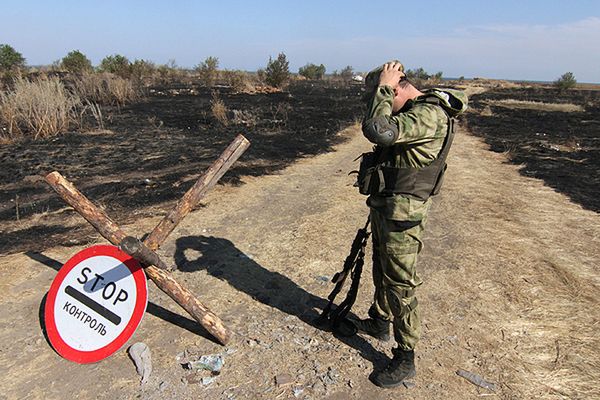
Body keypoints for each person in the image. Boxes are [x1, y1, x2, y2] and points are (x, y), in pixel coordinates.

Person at [345, 61, 468, 388]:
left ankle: (405, 355)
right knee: (381, 266)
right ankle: (380, 321)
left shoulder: (427, 115)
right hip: (389, 206)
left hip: (404, 214)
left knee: (400, 281)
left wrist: (383, 87)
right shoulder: (416, 111)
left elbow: (378, 130)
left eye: (386, 94)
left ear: (397, 88)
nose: (382, 102)